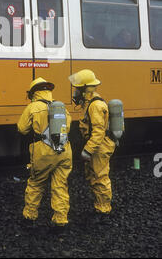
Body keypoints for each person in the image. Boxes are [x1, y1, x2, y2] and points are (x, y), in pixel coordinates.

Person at [17, 77, 72, 233]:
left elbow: (22, 129)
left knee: (36, 184)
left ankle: (30, 218)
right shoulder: (62, 108)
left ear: (34, 93)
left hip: (43, 151)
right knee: (60, 186)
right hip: (64, 150)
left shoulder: (33, 107)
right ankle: (60, 221)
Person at [68, 69, 116, 223]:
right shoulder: (90, 103)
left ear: (84, 89)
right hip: (97, 145)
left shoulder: (95, 105)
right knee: (94, 176)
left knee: (100, 177)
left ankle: (104, 211)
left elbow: (98, 132)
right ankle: (100, 206)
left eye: (77, 88)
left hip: (99, 146)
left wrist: (88, 151)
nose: (75, 91)